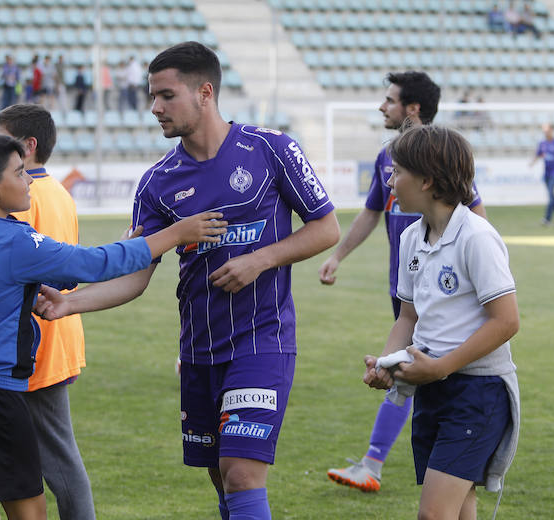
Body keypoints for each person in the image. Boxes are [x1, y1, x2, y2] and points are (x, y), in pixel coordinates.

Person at [35, 42, 340, 519]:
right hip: (198, 350)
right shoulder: (158, 182)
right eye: (152, 96)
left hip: (262, 340)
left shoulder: (271, 149)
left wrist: (259, 260)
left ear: (205, 92)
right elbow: (135, 276)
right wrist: (70, 305)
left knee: (241, 471)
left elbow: (326, 228)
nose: (155, 107)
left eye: (166, 95)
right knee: (222, 478)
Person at [0, 133, 226, 520]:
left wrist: (117, 254)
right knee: (30, 511)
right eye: (20, 173)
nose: (29, 180)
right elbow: (89, 264)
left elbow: (59, 274)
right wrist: (175, 234)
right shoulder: (13, 241)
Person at [319, 71, 486, 493]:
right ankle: (396, 467)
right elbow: (372, 212)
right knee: (408, 374)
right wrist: (337, 255)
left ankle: (375, 464)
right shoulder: (386, 157)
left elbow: (477, 221)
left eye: (390, 100)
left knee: (415, 375)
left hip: (442, 295)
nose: (382, 107)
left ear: (412, 108)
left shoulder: (437, 159)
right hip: (405, 292)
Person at [363, 124, 519, 520]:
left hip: (478, 391)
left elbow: (506, 321)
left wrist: (441, 367)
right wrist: (385, 363)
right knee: (460, 508)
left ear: (428, 180)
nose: (390, 179)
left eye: (397, 171)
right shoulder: (411, 238)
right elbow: (409, 317)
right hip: (433, 387)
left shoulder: (476, 237)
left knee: (433, 514)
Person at [0, 104, 95, 519]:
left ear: (27, 146)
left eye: (3, 138)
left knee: (58, 463)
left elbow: (10, 271)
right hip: (56, 338)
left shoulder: (23, 196)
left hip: (34, 345)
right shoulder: (59, 193)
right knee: (27, 458)